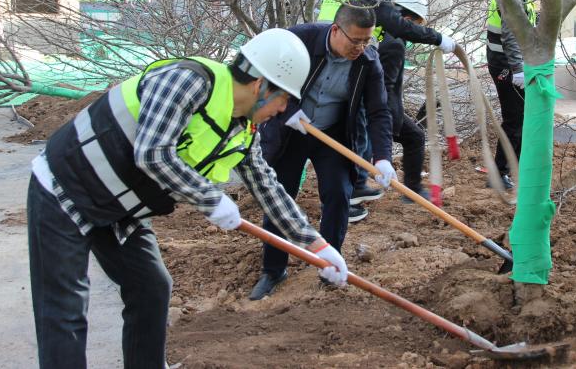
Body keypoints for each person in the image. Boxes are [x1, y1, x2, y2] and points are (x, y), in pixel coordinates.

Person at [27, 29, 350, 369]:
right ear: (260, 86)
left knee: (151, 287)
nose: (284, 109)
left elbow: (267, 186)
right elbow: (153, 153)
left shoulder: (242, 129)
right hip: (67, 188)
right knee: (65, 309)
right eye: (283, 98)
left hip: (121, 208)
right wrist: (210, 199)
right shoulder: (188, 81)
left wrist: (317, 246)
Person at [250, 1, 394, 301]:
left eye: (367, 41)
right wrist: (289, 109)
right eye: (355, 40)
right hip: (290, 130)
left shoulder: (368, 61)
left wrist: (382, 157)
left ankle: (329, 265)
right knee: (280, 194)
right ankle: (273, 269)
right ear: (336, 30)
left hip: (333, 133)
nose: (361, 48)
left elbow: (379, 111)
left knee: (339, 194)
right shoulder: (299, 40)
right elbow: (264, 75)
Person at [317, 0, 455, 218]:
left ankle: (352, 191)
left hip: (326, 64)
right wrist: (438, 38)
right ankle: (348, 195)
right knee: (354, 132)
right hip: (343, 64)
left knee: (347, 133)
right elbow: (397, 25)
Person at [485, 0, 553, 189]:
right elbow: (510, 33)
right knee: (514, 119)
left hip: (509, 63)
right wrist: (517, 69)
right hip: (506, 64)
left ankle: (511, 168)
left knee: (519, 117)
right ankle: (499, 173)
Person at [379, 0, 430, 202]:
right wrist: (393, 119)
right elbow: (385, 87)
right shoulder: (395, 44)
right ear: (407, 20)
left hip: (372, 106)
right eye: (415, 26)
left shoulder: (382, 32)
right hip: (380, 109)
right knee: (415, 137)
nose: (415, 32)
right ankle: (412, 190)